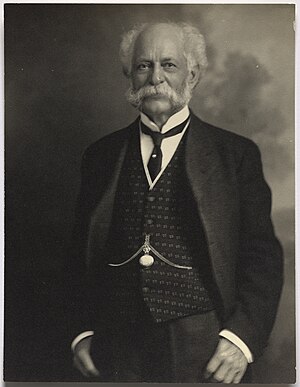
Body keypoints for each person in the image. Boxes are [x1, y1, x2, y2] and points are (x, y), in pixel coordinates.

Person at [68, 22, 283, 383]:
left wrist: (240, 340)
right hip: (114, 348)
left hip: (203, 347)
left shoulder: (236, 155)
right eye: (143, 65)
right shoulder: (100, 155)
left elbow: (261, 257)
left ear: (193, 74)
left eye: (169, 65)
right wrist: (81, 332)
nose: (155, 77)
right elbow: (78, 254)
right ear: (128, 74)